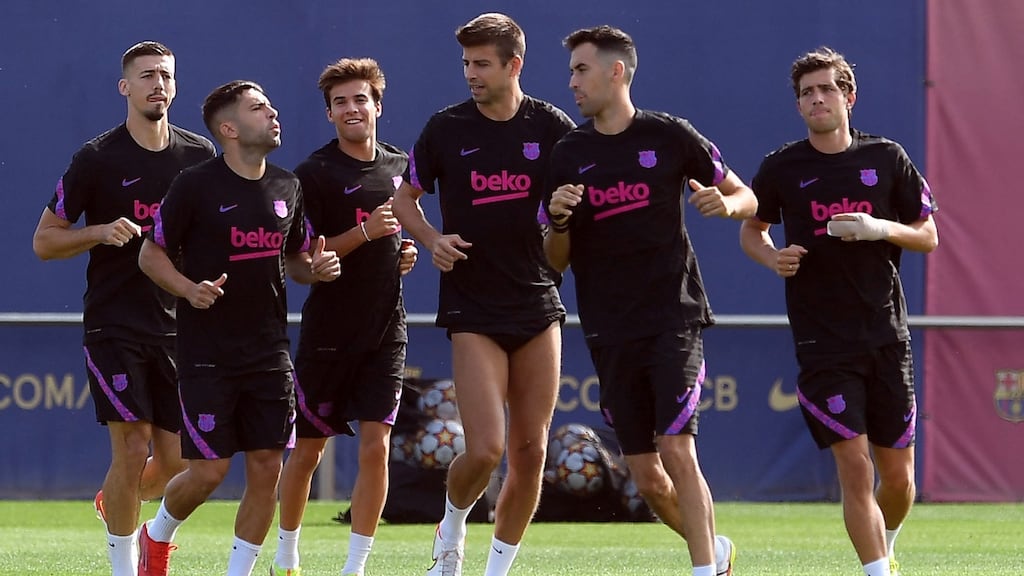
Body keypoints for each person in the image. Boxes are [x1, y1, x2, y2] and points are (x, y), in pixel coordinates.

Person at [543, 26, 755, 576]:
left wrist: (727, 206)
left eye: (581, 70)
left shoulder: (669, 135)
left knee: (677, 448)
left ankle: (703, 570)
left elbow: (745, 194)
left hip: (672, 317)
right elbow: (555, 261)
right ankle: (717, 553)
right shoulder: (568, 153)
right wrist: (559, 220)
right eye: (571, 72)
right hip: (608, 328)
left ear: (616, 71)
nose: (572, 83)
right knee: (647, 477)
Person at [739, 47, 937, 576]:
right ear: (798, 105)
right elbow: (753, 231)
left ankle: (885, 548)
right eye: (807, 92)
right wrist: (772, 257)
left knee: (899, 479)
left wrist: (879, 228)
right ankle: (875, 571)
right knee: (854, 465)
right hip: (822, 341)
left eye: (827, 89)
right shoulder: (782, 167)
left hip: (886, 335)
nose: (817, 99)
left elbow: (928, 235)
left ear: (849, 97)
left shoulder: (887, 157)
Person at [392, 12, 574, 576]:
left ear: (514, 65)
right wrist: (431, 239)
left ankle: (497, 569)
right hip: (472, 306)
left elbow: (574, 211)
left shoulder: (552, 126)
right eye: (466, 63)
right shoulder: (446, 128)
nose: (471, 73)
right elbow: (403, 201)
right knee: (487, 448)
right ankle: (451, 525)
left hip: (538, 301)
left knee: (531, 452)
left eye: (482, 64)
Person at [135, 80, 341, 576]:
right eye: (258, 108)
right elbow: (150, 254)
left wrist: (317, 268)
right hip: (207, 353)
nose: (272, 113)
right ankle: (155, 535)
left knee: (267, 469)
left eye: (270, 105)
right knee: (209, 471)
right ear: (228, 128)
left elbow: (297, 260)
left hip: (270, 352)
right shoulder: (194, 185)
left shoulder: (288, 186)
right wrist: (189, 289)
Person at [31, 41, 215, 576]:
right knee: (131, 446)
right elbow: (45, 241)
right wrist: (98, 232)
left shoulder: (199, 156)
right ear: (125, 87)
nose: (158, 84)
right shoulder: (97, 158)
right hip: (115, 323)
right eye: (147, 75)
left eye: (166, 75)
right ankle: (124, 567)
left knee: (177, 463)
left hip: (179, 327)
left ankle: (116, 502)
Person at [269, 57, 419, 576]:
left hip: (387, 330)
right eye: (340, 102)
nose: (351, 109)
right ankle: (286, 556)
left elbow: (402, 230)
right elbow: (302, 256)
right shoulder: (312, 174)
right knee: (308, 450)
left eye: (360, 99)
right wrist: (364, 234)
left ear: (378, 105)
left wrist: (404, 253)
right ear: (329, 114)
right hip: (329, 332)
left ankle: (355, 567)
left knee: (377, 447)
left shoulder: (400, 165)